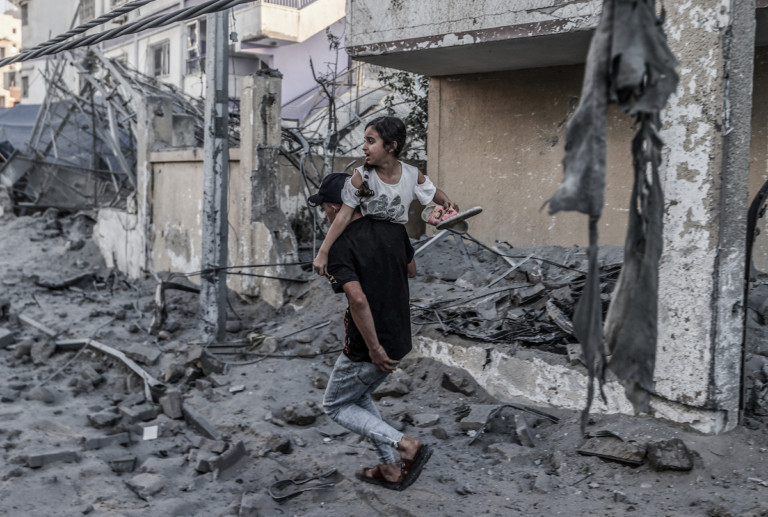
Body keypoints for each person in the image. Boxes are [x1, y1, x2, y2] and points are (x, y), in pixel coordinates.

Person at [308, 172, 433, 490]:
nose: (324, 214)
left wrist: (374, 349)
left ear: (336, 208)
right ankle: (389, 467)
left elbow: (358, 299)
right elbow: (411, 270)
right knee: (357, 394)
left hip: (368, 346)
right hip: (399, 335)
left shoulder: (338, 248)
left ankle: (405, 446)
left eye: (324, 207)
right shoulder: (393, 228)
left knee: (335, 405)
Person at [312, 116, 457, 276]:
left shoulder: (412, 174)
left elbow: (433, 192)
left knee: (408, 275)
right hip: (367, 241)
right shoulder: (361, 176)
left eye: (371, 141)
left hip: (396, 239)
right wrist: (323, 252)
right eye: (365, 141)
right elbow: (343, 216)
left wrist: (446, 202)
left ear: (391, 146)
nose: (364, 147)